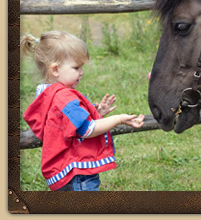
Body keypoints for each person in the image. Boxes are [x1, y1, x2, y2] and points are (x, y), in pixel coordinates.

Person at [21, 30, 144, 191]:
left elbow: (63, 123)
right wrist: (119, 119)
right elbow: (87, 130)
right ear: (55, 70)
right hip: (77, 175)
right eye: (76, 67)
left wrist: (95, 112)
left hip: (63, 173)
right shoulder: (64, 98)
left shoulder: (47, 94)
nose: (82, 72)